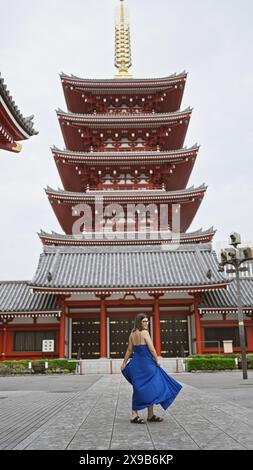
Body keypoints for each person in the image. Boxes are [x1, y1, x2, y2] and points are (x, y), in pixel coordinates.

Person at [121, 313, 182, 424]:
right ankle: (135, 415)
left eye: (147, 321)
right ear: (139, 322)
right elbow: (152, 348)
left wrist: (124, 363)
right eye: (144, 321)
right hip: (146, 364)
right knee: (152, 385)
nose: (147, 323)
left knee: (142, 388)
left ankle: (149, 414)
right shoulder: (145, 333)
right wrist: (157, 359)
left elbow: (129, 350)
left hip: (136, 364)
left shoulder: (132, 334)